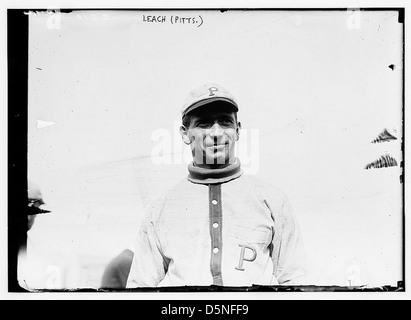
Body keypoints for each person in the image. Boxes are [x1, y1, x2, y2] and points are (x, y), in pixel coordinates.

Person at [126, 83, 307, 287]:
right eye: (204, 123)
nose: (216, 133)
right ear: (185, 134)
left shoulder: (271, 200)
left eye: (225, 122)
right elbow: (139, 290)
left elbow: (295, 282)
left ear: (237, 130)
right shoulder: (160, 210)